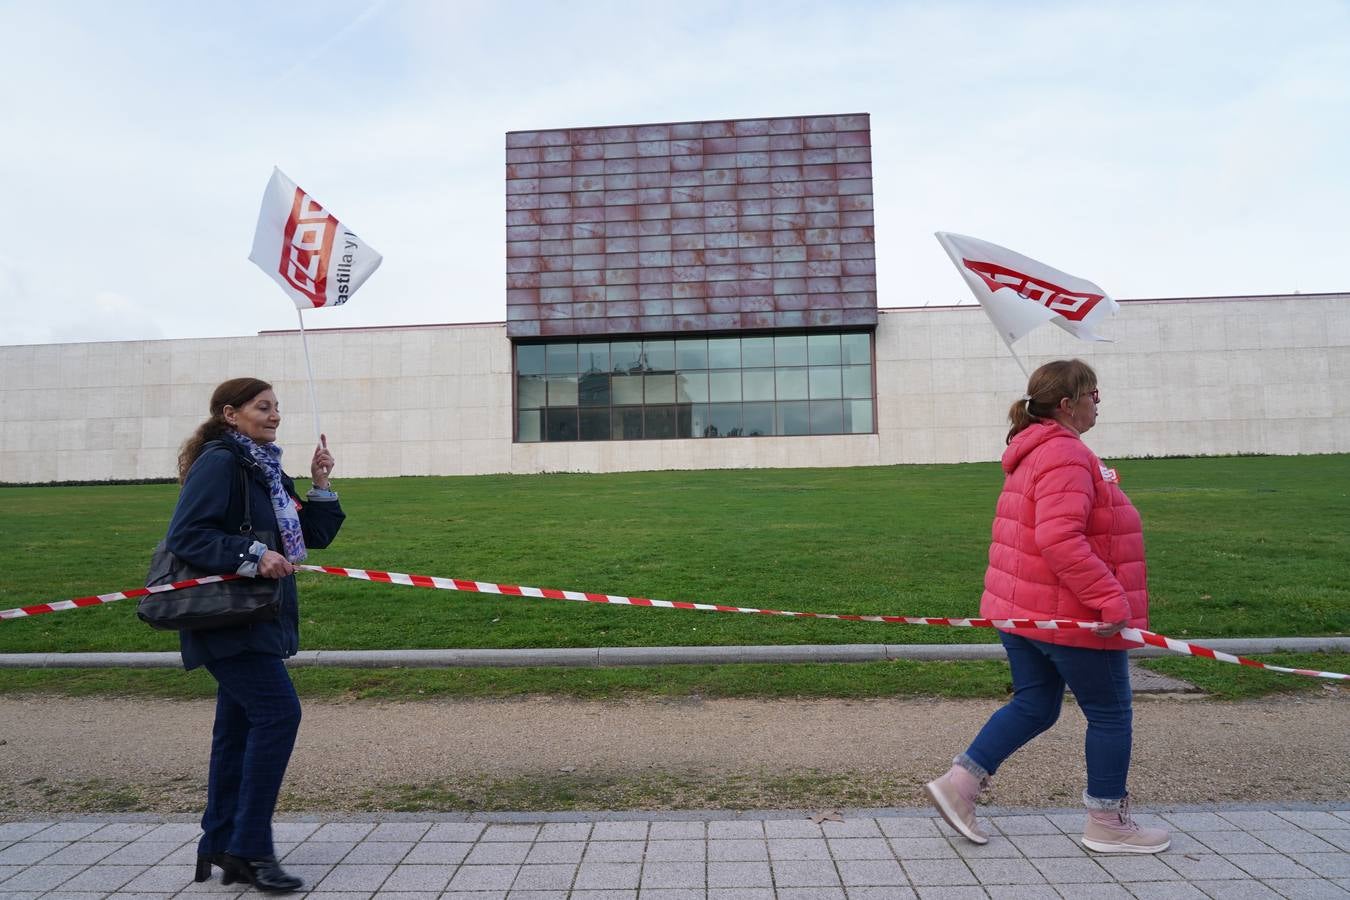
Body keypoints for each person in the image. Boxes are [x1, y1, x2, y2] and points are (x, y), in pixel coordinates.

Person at [924, 359, 1169, 854]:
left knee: (1035, 704)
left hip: (1023, 610)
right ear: (1066, 404)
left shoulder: (1034, 451)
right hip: (1072, 616)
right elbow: (1059, 538)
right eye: (1092, 394)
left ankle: (960, 785)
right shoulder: (1064, 455)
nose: (1098, 401)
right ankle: (1107, 821)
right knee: (1111, 713)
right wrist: (1109, 600)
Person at [165, 378, 345, 892]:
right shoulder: (222, 461)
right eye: (262, 407)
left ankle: (221, 842)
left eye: (277, 408)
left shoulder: (265, 468)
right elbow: (188, 534)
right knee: (278, 713)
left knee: (238, 731)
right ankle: (248, 848)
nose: (274, 416)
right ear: (230, 413)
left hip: (258, 616)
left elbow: (311, 538)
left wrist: (321, 484)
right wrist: (251, 556)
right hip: (227, 618)